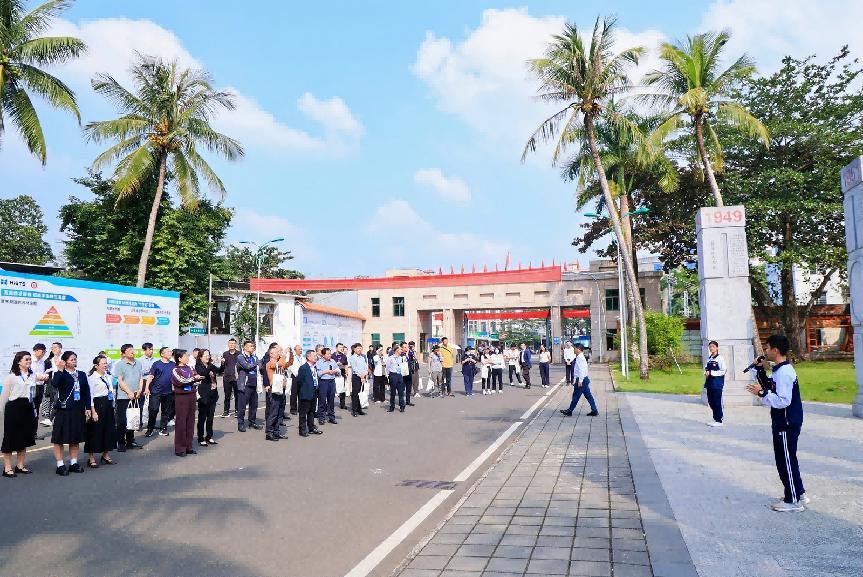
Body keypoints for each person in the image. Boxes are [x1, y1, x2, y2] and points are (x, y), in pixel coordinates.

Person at [745, 334, 808, 512]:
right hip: (783, 421)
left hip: (786, 423)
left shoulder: (785, 372)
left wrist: (761, 394)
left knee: (785, 461)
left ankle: (792, 501)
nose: (765, 351)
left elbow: (783, 400)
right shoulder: (779, 370)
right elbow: (770, 387)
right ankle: (798, 493)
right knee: (788, 459)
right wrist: (759, 370)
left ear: (775, 350)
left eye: (767, 348)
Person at [50, 351, 91, 476]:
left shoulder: (81, 374)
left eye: (75, 359)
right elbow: (54, 384)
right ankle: (60, 465)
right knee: (59, 438)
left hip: (78, 410)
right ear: (65, 361)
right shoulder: (61, 374)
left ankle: (74, 463)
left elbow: (86, 392)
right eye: (72, 359)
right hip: (64, 410)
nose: (74, 361)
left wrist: (88, 407)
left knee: (75, 438)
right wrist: (59, 369)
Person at [1, 351, 38, 477]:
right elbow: (4, 397)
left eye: (30, 359)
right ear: (18, 362)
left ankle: (20, 465)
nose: (29, 361)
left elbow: (33, 394)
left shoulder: (31, 376)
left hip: (28, 407)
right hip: (14, 408)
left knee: (24, 437)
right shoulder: (11, 377)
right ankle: (7, 468)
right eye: (26, 359)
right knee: (10, 438)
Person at [84, 355, 116, 468]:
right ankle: (91, 458)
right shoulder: (91, 378)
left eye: (106, 363)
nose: (105, 365)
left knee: (108, 430)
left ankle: (105, 455)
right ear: (96, 366)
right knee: (94, 431)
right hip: (97, 405)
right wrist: (93, 411)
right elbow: (90, 396)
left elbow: (111, 391)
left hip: (108, 404)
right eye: (103, 363)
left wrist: (113, 406)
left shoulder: (107, 376)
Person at [171, 349, 202, 457]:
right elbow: (181, 381)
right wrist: (193, 379)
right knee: (181, 422)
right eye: (186, 356)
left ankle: (189, 446)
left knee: (190, 422)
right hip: (181, 397)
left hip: (191, 396)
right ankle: (180, 448)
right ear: (179, 358)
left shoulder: (190, 368)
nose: (188, 358)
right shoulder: (176, 369)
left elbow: (195, 380)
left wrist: (198, 379)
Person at [113, 344, 144, 452]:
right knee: (122, 420)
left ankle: (130, 441)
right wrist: (129, 392)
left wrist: (140, 390)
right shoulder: (120, 364)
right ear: (124, 353)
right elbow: (120, 381)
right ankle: (121, 442)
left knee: (133, 418)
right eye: (129, 350)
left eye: (133, 349)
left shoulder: (138, 363)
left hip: (136, 395)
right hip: (123, 397)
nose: (132, 351)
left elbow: (141, 378)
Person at [560, 343, 599, 417]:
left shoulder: (580, 358)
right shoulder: (579, 357)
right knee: (588, 396)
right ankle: (594, 410)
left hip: (582, 380)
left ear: (578, 349)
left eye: (574, 348)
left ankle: (570, 411)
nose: (573, 350)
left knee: (576, 396)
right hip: (584, 379)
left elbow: (581, 370)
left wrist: (580, 381)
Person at [144, 347, 175, 438]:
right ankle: (150, 429)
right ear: (162, 354)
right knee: (153, 410)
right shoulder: (156, 364)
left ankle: (163, 429)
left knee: (165, 412)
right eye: (168, 351)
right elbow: (150, 376)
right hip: (156, 392)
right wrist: (146, 388)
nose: (170, 353)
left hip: (168, 392)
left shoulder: (173, 364)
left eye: (171, 351)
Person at [264, 345, 292, 441]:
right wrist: (283, 354)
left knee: (279, 412)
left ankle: (276, 431)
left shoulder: (279, 362)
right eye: (276, 352)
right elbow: (280, 364)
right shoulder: (270, 363)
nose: (278, 354)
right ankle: (269, 433)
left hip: (281, 388)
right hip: (274, 389)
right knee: (273, 412)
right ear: (271, 354)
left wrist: (290, 354)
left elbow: (288, 364)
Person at [195, 349, 221, 446]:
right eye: (205, 355)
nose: (207, 356)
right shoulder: (198, 366)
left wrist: (223, 363)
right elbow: (204, 373)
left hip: (213, 394)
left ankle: (209, 436)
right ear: (200, 357)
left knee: (210, 418)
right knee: (202, 417)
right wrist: (210, 365)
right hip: (203, 395)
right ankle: (200, 437)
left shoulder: (211, 366)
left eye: (208, 355)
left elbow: (220, 370)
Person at [236, 340, 261, 432]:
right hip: (245, 384)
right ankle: (241, 423)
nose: (252, 347)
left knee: (254, 405)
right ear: (245, 347)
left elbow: (261, 366)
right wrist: (256, 364)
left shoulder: (254, 357)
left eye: (253, 346)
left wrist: (256, 364)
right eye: (250, 346)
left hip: (254, 383)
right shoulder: (240, 357)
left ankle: (252, 422)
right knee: (242, 405)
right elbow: (247, 366)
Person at [296, 350, 322, 437]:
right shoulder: (303, 368)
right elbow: (299, 382)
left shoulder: (314, 367)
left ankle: (311, 427)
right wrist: (301, 393)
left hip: (314, 391)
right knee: (303, 413)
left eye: (316, 356)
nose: (316, 357)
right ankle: (302, 430)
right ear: (308, 357)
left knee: (311, 411)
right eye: (314, 356)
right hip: (305, 393)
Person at [40, 341, 63, 426]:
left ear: (60, 348)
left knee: (58, 400)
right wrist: (47, 371)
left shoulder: (64, 357)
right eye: (52, 348)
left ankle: (50, 419)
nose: (53, 349)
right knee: (54, 400)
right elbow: (54, 369)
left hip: (63, 382)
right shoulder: (52, 359)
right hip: (54, 381)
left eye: (55, 347)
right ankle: (51, 418)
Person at [703, 340, 726, 427]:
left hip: (717, 383)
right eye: (710, 347)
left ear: (717, 348)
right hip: (709, 382)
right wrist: (706, 372)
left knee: (717, 401)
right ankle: (715, 418)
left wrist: (712, 373)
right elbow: (706, 368)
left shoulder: (720, 358)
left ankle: (719, 420)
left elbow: (723, 371)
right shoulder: (709, 358)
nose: (711, 348)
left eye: (713, 346)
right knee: (710, 401)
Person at [315, 348, 340, 425]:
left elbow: (338, 370)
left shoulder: (333, 361)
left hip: (332, 382)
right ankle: (321, 418)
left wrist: (335, 371)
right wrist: (326, 371)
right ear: (323, 355)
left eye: (330, 353)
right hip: (323, 382)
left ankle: (331, 417)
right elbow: (319, 374)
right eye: (328, 354)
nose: (330, 355)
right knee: (322, 401)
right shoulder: (319, 362)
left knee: (331, 400)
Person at [30, 344, 50, 432]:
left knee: (37, 410)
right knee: (30, 410)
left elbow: (43, 373)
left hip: (40, 387)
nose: (44, 353)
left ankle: (34, 433)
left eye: (45, 352)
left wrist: (45, 376)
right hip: (31, 388)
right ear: (36, 351)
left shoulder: (42, 362)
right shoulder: (29, 360)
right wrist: (36, 378)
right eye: (43, 351)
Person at [348, 343, 369, 417]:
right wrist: (361, 376)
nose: (359, 349)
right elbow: (355, 368)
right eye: (358, 348)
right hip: (356, 377)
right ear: (354, 349)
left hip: (363, 377)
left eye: (360, 348)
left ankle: (359, 409)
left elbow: (366, 367)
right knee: (355, 394)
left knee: (361, 393)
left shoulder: (362, 358)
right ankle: (354, 410)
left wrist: (365, 374)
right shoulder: (352, 357)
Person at [221, 338, 240, 418]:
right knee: (227, 395)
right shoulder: (225, 354)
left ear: (235, 345)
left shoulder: (239, 354)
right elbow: (222, 367)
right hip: (227, 377)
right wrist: (222, 362)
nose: (231, 345)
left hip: (236, 377)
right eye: (230, 343)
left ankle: (237, 410)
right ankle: (226, 411)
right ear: (228, 345)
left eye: (233, 343)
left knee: (237, 395)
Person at [138, 343, 155, 431]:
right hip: (143, 382)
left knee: (153, 404)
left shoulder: (155, 360)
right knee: (141, 403)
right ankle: (139, 423)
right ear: (144, 350)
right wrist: (148, 371)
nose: (151, 351)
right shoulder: (139, 360)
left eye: (152, 349)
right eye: (150, 349)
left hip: (153, 383)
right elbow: (140, 373)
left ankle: (151, 424)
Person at [386, 344, 406, 412]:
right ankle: (392, 407)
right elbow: (387, 368)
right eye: (400, 349)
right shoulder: (390, 358)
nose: (401, 350)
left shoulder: (401, 358)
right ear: (397, 350)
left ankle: (402, 406)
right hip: (393, 375)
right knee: (393, 393)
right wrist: (389, 375)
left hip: (399, 375)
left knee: (401, 392)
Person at [332, 343, 349, 410]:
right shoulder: (332, 355)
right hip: (333, 374)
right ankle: (331, 404)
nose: (341, 349)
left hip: (342, 374)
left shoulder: (344, 356)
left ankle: (342, 404)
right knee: (333, 390)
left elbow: (346, 365)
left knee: (342, 390)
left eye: (342, 347)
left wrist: (346, 372)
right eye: (340, 347)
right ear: (336, 348)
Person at [289, 344, 303, 415]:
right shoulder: (292, 357)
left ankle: (300, 408)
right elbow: (290, 366)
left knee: (301, 393)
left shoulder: (302, 358)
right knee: (294, 393)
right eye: (299, 349)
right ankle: (293, 409)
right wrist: (295, 372)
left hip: (302, 377)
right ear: (295, 350)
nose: (301, 350)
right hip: (295, 376)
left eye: (301, 349)